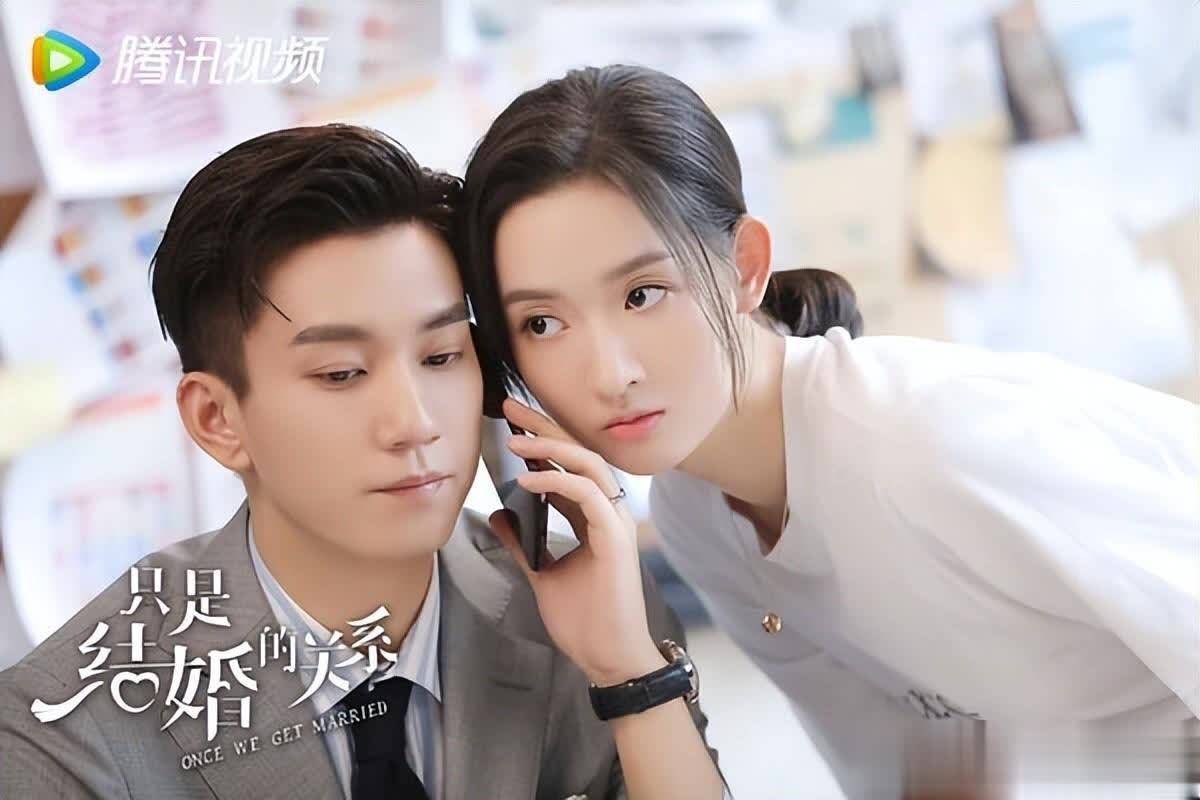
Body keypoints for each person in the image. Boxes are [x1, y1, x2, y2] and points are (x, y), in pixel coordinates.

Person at [459, 64, 1200, 796]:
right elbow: (899, 776)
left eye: (643, 293)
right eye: (542, 323)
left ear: (745, 267)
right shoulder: (698, 516)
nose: (608, 373)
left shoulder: (927, 441)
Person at [0, 124, 729, 800]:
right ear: (218, 419)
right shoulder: (64, 731)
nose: (415, 423)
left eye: (441, 357)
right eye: (342, 373)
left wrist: (627, 673)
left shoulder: (600, 604)